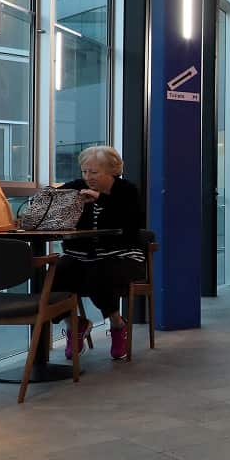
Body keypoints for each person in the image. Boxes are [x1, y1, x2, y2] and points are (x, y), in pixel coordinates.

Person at [53, 146, 145, 361]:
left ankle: (117, 324)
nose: (88, 177)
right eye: (85, 171)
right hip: (81, 256)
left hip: (123, 255)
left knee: (98, 273)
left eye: (94, 172)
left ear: (112, 171)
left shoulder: (126, 190)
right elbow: (51, 199)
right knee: (53, 276)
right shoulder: (77, 187)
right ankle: (74, 324)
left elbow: (131, 224)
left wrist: (100, 199)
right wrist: (66, 201)